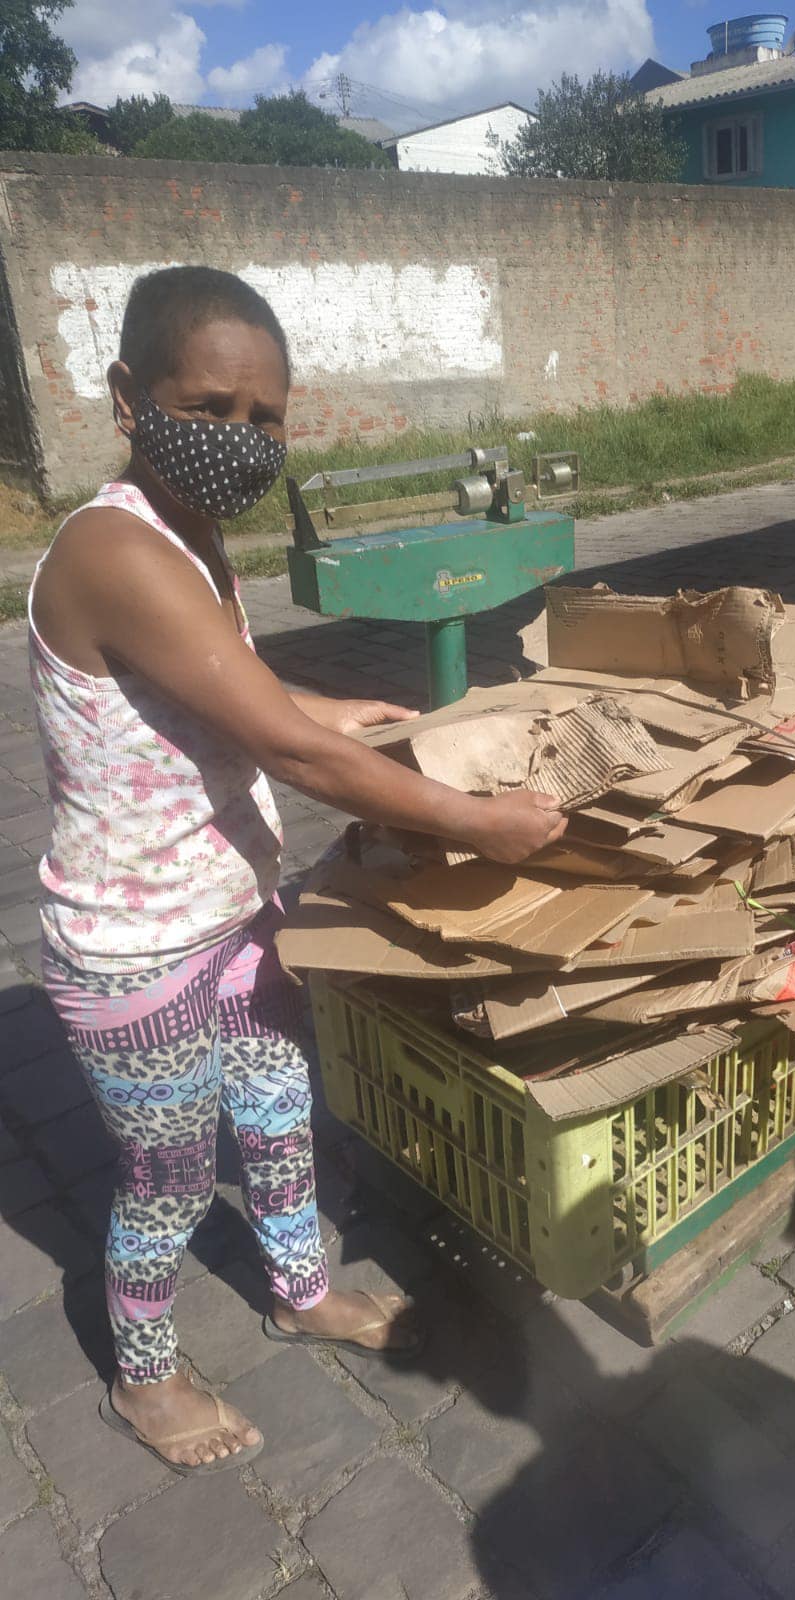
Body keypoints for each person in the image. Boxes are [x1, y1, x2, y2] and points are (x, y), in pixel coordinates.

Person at [28, 265, 566, 1476]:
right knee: (170, 1177)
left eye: (265, 418)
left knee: (280, 1118)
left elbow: (234, 691)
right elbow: (286, 750)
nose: (241, 438)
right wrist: (473, 822)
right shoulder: (116, 549)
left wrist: (336, 707)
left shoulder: (190, 534)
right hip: (133, 952)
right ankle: (142, 1373)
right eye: (209, 408)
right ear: (129, 396)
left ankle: (299, 1290)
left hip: (230, 912)